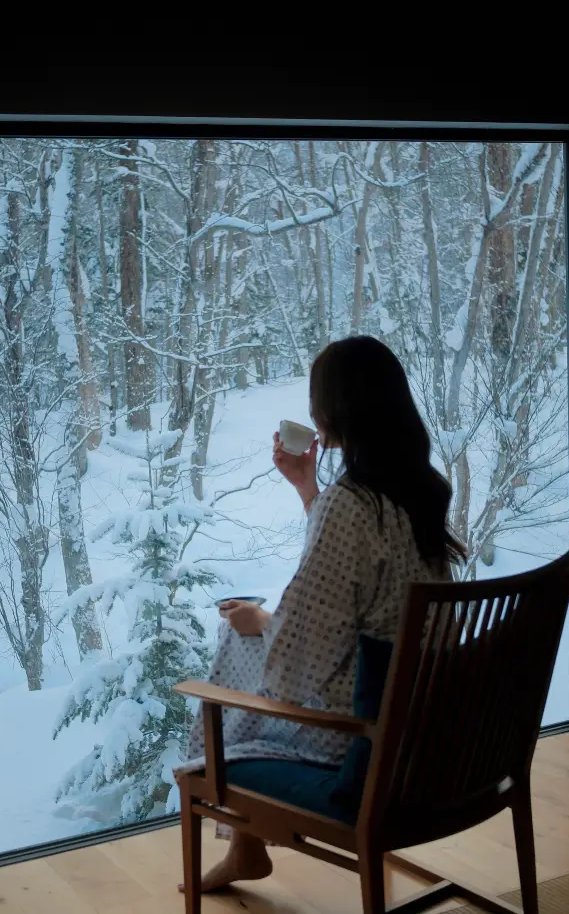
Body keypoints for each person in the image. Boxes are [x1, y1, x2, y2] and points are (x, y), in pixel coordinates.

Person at [176, 336, 465, 894]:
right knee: (256, 640)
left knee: (238, 648)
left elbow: (302, 654)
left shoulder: (350, 504)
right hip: (429, 733)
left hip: (363, 742)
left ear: (333, 410)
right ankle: (245, 848)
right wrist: (309, 489)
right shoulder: (418, 493)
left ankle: (243, 838)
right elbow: (362, 580)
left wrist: (261, 621)